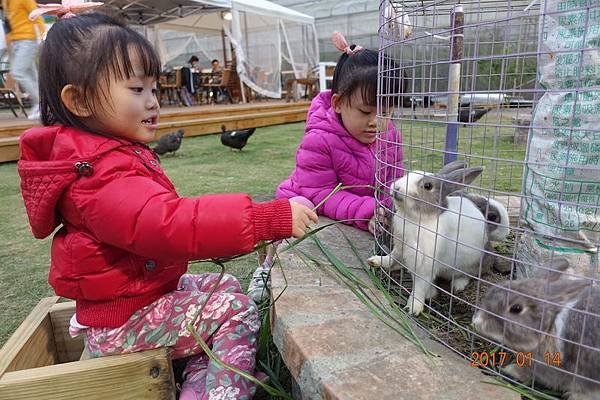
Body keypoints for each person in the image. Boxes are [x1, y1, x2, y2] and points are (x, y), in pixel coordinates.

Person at [17, 11, 317, 400]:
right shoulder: (97, 174)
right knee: (234, 310)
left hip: (136, 298)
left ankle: (198, 378)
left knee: (223, 285)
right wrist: (267, 219)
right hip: (124, 322)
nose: (153, 102)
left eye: (153, 89)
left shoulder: (106, 155)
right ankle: (222, 394)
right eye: (137, 90)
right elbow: (168, 225)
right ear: (79, 100)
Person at [247, 31, 404, 302]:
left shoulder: (389, 135)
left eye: (387, 111)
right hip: (311, 198)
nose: (377, 122)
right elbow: (321, 194)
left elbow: (393, 180)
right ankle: (267, 267)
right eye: (366, 112)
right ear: (338, 103)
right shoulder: (319, 139)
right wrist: (367, 210)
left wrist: (392, 206)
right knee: (294, 211)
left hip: (356, 204)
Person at [3, 0, 45, 120]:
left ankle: (41, 103)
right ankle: (42, 104)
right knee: (30, 74)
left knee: (18, 72)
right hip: (16, 42)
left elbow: (36, 15)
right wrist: (9, 43)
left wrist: (44, 35)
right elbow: (9, 24)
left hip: (27, 40)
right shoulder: (6, 2)